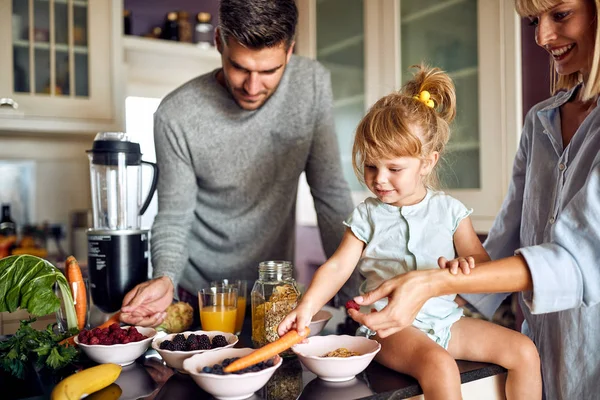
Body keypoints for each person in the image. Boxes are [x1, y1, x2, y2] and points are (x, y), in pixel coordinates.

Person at [347, 0, 600, 399]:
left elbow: (579, 259)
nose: (541, 36)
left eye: (561, 14)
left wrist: (433, 283)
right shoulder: (540, 121)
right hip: (541, 341)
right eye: (535, 20)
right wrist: (435, 294)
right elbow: (503, 239)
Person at [278, 65, 542, 400]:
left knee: (524, 350)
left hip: (448, 324)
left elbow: (479, 261)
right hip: (392, 329)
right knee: (440, 365)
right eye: (371, 166)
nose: (379, 179)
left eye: (394, 168)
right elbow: (337, 267)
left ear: (428, 162)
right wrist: (307, 306)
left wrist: (465, 267)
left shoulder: (451, 212)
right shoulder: (366, 215)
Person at [119, 0, 357, 327]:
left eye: (269, 71)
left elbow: (330, 194)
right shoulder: (176, 115)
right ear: (219, 42)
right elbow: (174, 216)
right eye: (240, 67)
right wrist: (164, 277)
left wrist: (355, 292)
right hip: (200, 298)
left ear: (289, 52)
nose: (252, 86)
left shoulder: (311, 85)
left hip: (274, 295)